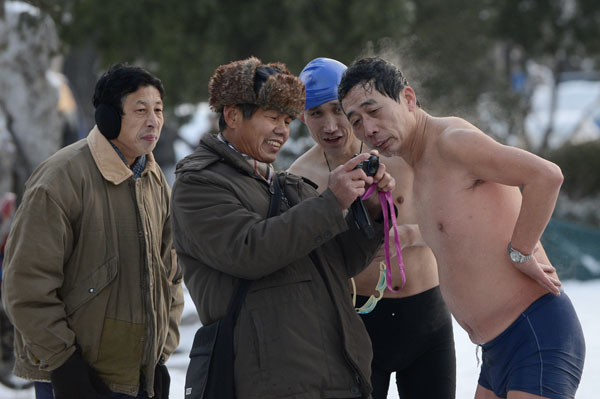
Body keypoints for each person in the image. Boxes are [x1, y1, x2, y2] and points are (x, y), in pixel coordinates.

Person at [338, 57, 586, 399]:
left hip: (535, 332)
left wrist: (522, 251)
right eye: (356, 121)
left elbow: (546, 176)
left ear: (408, 99)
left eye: (374, 110)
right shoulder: (417, 162)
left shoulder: (452, 142)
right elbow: (461, 225)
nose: (368, 129)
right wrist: (410, 235)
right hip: (494, 351)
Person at [171, 56, 395, 399]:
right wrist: (331, 202)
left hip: (335, 377)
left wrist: (371, 211)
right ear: (232, 116)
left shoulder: (287, 185)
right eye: (272, 117)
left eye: (288, 120)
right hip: (271, 382)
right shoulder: (198, 184)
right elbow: (250, 251)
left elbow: (340, 263)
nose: (283, 130)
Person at [1, 63, 184, 399]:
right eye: (140, 110)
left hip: (140, 379)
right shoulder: (60, 179)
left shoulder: (156, 181)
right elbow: (25, 286)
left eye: (158, 110)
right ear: (108, 117)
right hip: (74, 378)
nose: (153, 121)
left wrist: (160, 356)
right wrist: (65, 364)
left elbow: (170, 277)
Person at [288, 57, 456, 399]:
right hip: (357, 326)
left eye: (337, 110)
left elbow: (453, 221)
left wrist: (409, 236)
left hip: (427, 318)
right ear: (302, 117)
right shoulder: (300, 177)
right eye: (316, 113)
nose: (331, 124)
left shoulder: (398, 153)